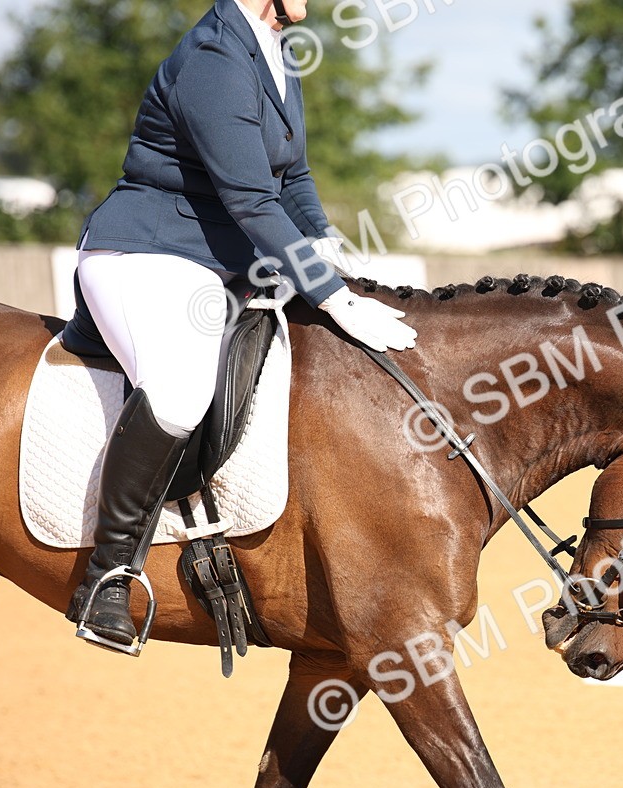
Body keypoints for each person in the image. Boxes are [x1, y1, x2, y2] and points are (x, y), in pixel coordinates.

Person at [65, 0, 416, 648]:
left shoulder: (274, 51)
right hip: (147, 253)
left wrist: (333, 255)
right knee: (178, 392)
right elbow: (251, 197)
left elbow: (294, 179)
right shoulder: (214, 57)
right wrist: (333, 297)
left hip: (225, 265)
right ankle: (106, 576)